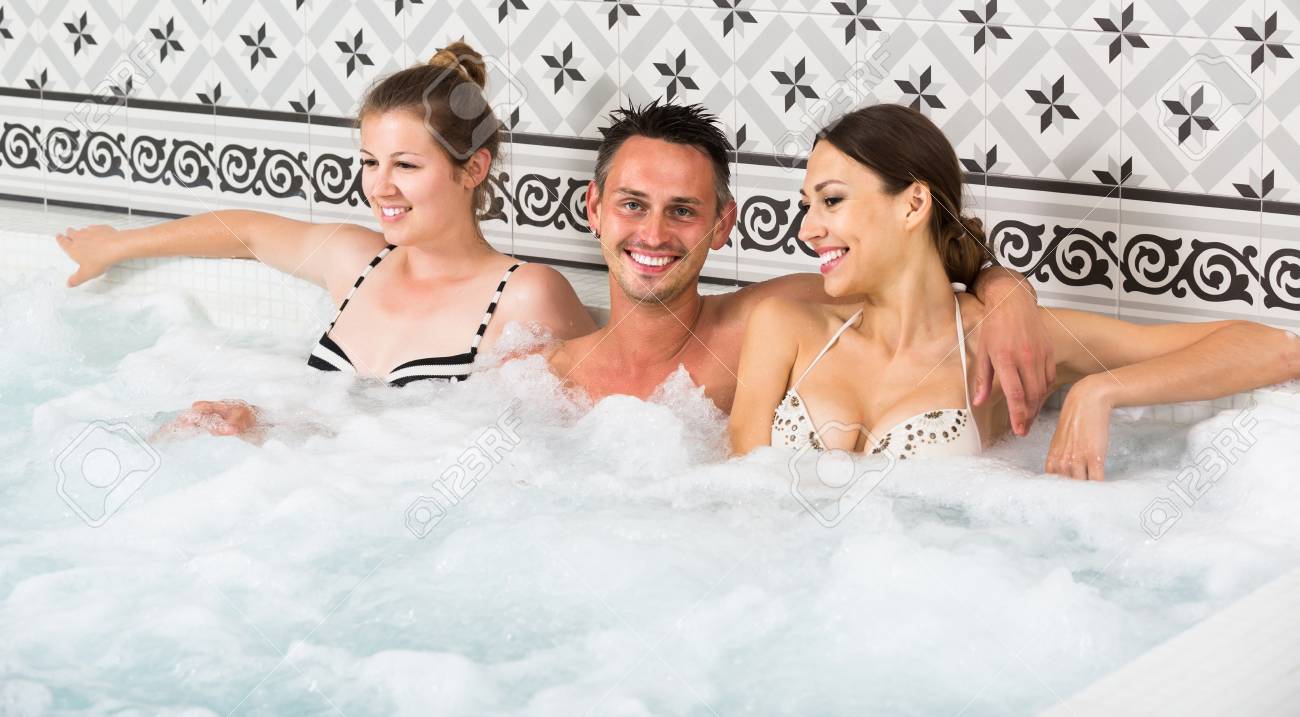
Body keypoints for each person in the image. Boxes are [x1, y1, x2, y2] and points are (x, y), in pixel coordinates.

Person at [728, 104, 1300, 480]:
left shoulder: (1004, 344)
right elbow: (737, 501)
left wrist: (1099, 390)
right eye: (807, 205)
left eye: (831, 200)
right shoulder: (786, 328)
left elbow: (1277, 350)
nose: (807, 229)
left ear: (913, 204)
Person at [56, 42, 595, 433]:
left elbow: (584, 431)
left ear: (473, 168)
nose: (380, 187)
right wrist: (117, 246)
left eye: (406, 165)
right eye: (370, 162)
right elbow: (246, 233)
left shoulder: (525, 295)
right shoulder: (357, 261)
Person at [546, 101, 1055, 430]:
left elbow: (921, 288)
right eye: (632, 204)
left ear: (722, 225)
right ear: (594, 208)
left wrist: (1006, 293)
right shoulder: (543, 382)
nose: (654, 234)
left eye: (682, 211)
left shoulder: (777, 316)